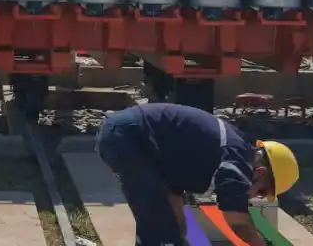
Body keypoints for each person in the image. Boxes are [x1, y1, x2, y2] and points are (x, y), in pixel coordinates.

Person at [95, 102, 298, 246]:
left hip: (138, 143)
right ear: (261, 173)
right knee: (160, 232)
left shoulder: (235, 151)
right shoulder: (237, 166)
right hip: (130, 139)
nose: (256, 197)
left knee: (174, 228)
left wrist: (180, 232)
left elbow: (174, 194)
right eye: (262, 192)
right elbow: (238, 222)